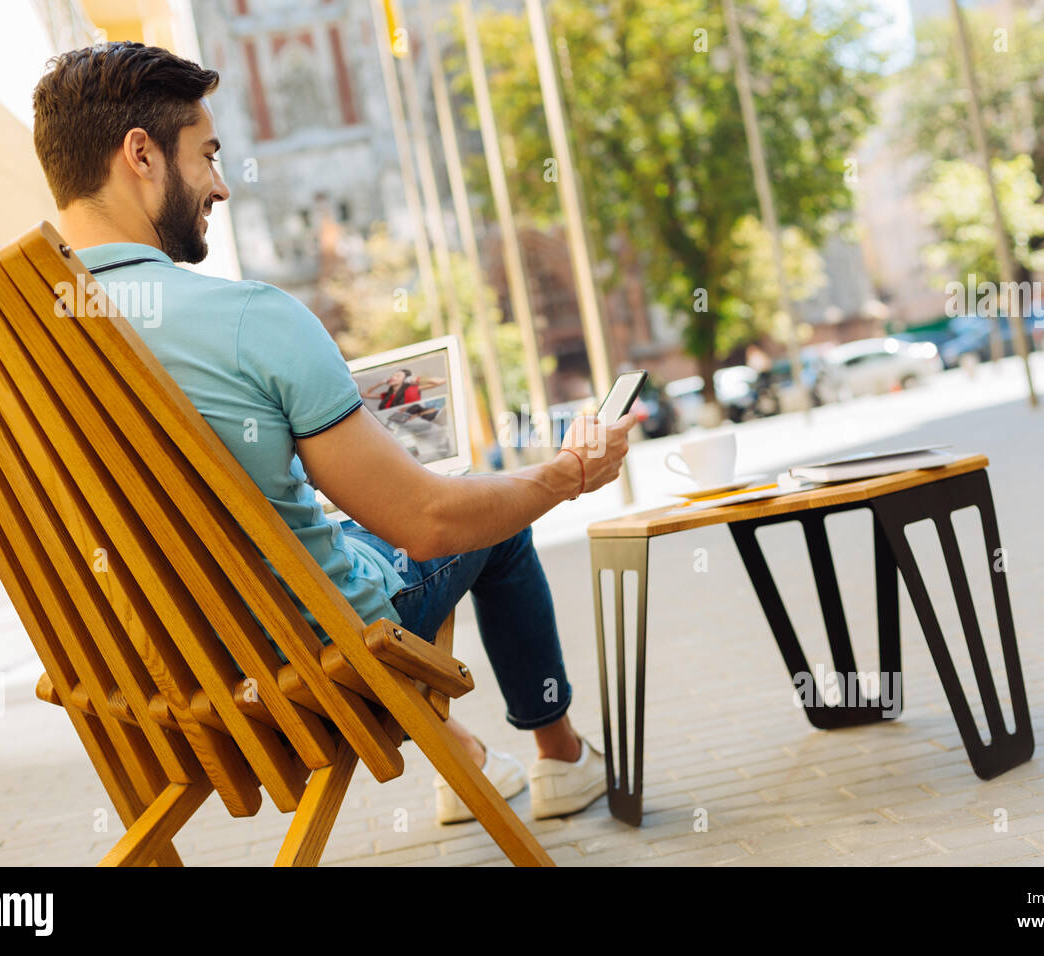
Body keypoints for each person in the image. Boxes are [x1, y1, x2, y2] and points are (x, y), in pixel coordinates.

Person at [31, 42, 635, 824]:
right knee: (485, 514)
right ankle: (561, 758)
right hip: (311, 668)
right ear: (139, 154)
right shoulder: (249, 316)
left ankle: (465, 762)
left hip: (142, 690)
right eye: (206, 157)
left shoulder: (7, 348)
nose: (219, 185)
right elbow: (426, 525)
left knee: (369, 518)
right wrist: (566, 476)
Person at [361, 369, 446, 410]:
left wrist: (417, 379)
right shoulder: (387, 395)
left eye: (398, 376)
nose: (393, 377)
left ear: (406, 379)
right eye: (392, 375)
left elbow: (441, 381)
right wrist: (381, 382)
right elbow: (365, 394)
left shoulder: (412, 390)